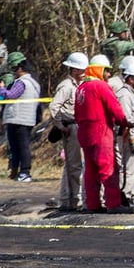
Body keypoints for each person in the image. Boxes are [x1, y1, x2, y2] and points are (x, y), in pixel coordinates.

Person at [74, 56, 128, 212]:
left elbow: (76, 114)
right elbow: (115, 108)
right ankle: (113, 204)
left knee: (91, 171)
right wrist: (124, 123)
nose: (108, 75)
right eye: (106, 71)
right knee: (108, 169)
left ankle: (93, 204)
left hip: (84, 133)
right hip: (101, 132)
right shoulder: (101, 86)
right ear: (99, 70)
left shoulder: (81, 87)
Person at [48, 52, 88, 210]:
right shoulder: (66, 86)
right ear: (75, 70)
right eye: (82, 70)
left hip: (76, 126)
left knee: (73, 165)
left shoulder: (77, 86)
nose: (84, 73)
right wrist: (60, 125)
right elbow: (54, 106)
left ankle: (68, 199)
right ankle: (73, 199)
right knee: (74, 165)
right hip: (70, 127)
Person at [0, 52, 41, 182]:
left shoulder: (22, 82)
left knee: (21, 147)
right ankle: (15, 172)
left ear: (19, 68)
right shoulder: (34, 83)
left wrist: (2, 89)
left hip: (19, 118)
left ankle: (24, 172)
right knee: (17, 146)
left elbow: (10, 95)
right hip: (26, 118)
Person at [115, 59, 134, 210]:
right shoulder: (124, 95)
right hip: (127, 135)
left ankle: (132, 196)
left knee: (131, 169)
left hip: (129, 134)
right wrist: (133, 136)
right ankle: (125, 195)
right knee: (131, 169)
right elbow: (127, 119)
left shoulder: (131, 93)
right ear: (131, 79)